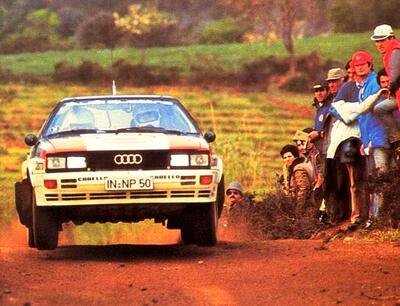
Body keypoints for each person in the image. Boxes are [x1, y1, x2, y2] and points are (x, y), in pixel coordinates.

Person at [371, 24, 400, 111]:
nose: (379, 44)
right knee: (379, 109)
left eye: (382, 40)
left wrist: (390, 89)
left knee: (379, 109)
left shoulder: (395, 52)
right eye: (377, 41)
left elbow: (394, 78)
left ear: (391, 38)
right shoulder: (393, 51)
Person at [279, 144, 314, 216]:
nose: (287, 159)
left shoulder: (298, 169)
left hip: (307, 205)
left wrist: (299, 208)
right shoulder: (291, 168)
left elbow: (303, 189)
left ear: (295, 156)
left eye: (289, 156)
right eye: (284, 157)